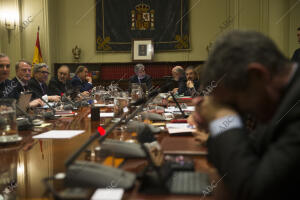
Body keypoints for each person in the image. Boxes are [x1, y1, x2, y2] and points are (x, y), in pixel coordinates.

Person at [193, 30, 300, 200]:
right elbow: (245, 160)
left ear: (257, 75)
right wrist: (214, 127)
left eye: (233, 103)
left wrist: (222, 118)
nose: (236, 112)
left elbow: (254, 192)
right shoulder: (274, 101)